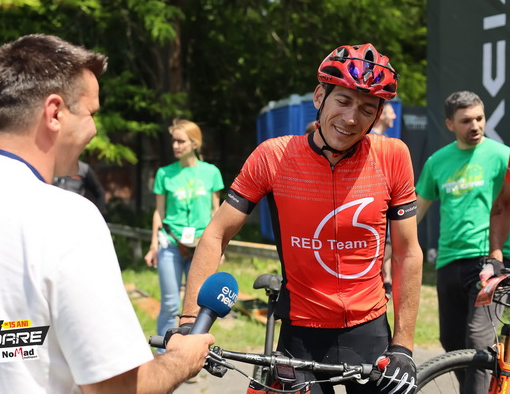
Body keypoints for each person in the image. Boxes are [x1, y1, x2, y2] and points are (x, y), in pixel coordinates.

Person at [0, 34, 213, 394]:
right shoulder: (67, 219)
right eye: (91, 114)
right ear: (54, 113)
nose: (95, 130)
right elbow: (116, 389)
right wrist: (183, 357)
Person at [181, 43, 422, 394]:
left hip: (369, 331)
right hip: (301, 334)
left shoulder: (393, 156)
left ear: (378, 115)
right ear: (319, 96)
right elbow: (217, 234)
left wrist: (403, 346)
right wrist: (190, 322)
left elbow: (407, 252)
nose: (351, 118)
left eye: (367, 109)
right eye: (343, 101)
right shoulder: (273, 157)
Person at [415, 90, 510, 393]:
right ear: (449, 124)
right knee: (451, 342)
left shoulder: (503, 155)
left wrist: (497, 257)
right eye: (466, 120)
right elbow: (415, 212)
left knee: (478, 341)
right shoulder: (437, 161)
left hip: (489, 262)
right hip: (447, 262)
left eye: (479, 118)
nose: (475, 125)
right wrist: (387, 248)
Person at [144, 119, 223, 346]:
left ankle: (191, 350)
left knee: (197, 306)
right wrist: (153, 246)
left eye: (181, 141)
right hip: (170, 243)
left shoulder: (211, 173)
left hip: (201, 246)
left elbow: (216, 212)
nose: (175, 146)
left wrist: (220, 248)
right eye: (174, 141)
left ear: (194, 143)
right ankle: (164, 352)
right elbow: (159, 212)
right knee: (170, 303)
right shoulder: (164, 173)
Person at [371, 102, 398, 297]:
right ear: (381, 115)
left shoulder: (387, 141)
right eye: (391, 113)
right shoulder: (371, 140)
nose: (394, 116)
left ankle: (385, 280)